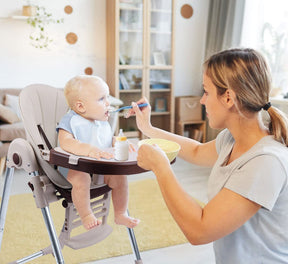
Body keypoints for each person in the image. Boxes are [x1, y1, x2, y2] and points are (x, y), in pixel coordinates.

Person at [128, 48, 288, 263]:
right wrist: (148, 128)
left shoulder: (266, 161)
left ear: (228, 98)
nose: (202, 101)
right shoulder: (231, 139)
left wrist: (161, 168)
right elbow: (195, 151)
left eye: (206, 92)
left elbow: (199, 231)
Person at [57, 75, 140, 230]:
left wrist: (118, 142)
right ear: (81, 107)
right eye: (102, 99)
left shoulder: (102, 122)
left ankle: (121, 213)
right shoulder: (71, 120)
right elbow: (65, 141)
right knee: (80, 179)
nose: (108, 103)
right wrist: (89, 150)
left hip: (100, 168)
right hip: (74, 167)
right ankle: (86, 215)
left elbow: (106, 140)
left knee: (120, 177)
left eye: (107, 97)